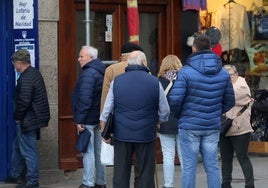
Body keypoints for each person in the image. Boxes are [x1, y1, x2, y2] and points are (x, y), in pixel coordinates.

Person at [169, 34, 235, 188]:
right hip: (212, 124)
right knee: (212, 166)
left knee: (189, 167)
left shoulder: (185, 72)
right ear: (211, 48)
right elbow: (230, 101)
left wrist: (180, 115)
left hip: (189, 124)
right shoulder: (224, 73)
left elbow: (175, 100)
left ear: (193, 48)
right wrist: (216, 111)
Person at [99, 50, 170, 188]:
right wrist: (159, 121)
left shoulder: (117, 81)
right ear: (144, 63)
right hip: (146, 135)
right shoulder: (155, 82)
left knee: (120, 174)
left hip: (122, 134)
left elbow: (106, 109)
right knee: (145, 173)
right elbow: (165, 110)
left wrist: (104, 130)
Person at [100, 42, 144, 188]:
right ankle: (139, 183)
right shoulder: (145, 69)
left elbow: (105, 98)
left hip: (119, 122)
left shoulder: (111, 69)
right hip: (142, 120)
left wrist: (103, 123)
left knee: (121, 161)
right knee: (141, 160)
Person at [8, 49, 50, 188]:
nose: (13, 65)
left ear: (20, 63)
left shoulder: (26, 77)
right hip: (33, 118)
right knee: (18, 147)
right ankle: (16, 174)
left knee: (28, 151)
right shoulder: (33, 73)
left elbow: (24, 100)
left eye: (14, 62)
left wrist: (18, 117)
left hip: (28, 119)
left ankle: (32, 181)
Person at [71, 46, 106, 188]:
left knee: (89, 152)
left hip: (88, 119)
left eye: (81, 56)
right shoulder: (100, 71)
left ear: (91, 58)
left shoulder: (88, 74)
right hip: (98, 118)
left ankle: (88, 183)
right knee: (98, 153)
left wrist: (80, 119)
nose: (78, 59)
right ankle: (100, 182)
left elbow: (85, 99)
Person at [220, 65, 255, 188]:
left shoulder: (242, 85)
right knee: (225, 159)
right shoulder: (225, 86)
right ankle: (226, 183)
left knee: (242, 157)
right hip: (224, 127)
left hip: (240, 129)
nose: (227, 78)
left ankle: (250, 184)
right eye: (224, 76)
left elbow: (230, 96)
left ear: (236, 74)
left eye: (229, 75)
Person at [157, 54, 182, 188]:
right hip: (182, 120)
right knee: (184, 155)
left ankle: (168, 185)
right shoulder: (183, 80)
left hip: (165, 121)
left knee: (168, 155)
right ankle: (187, 184)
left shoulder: (159, 81)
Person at [100, 42, 144, 112]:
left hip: (118, 114)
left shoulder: (111, 69)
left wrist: (103, 118)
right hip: (141, 113)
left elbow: (105, 96)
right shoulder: (144, 69)